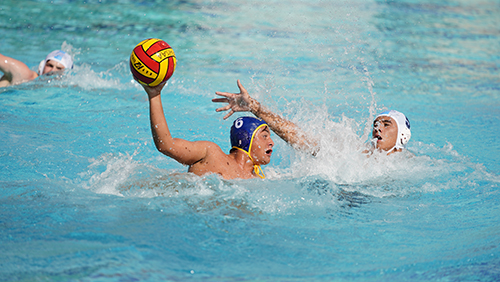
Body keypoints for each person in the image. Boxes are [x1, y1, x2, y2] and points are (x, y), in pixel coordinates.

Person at [213, 80, 411, 156]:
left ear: (403, 135)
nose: (378, 128)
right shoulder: (354, 154)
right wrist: (255, 108)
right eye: (376, 123)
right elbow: (299, 138)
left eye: (386, 124)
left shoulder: (410, 164)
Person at [143, 81, 274, 180]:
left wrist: (254, 106)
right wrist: (154, 94)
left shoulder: (260, 179)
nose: (271, 142)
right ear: (247, 138)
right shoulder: (210, 153)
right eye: (264, 136)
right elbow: (166, 145)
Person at [0, 50, 73, 88]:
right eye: (50, 65)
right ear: (42, 66)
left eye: (59, 68)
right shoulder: (25, 75)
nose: (53, 71)